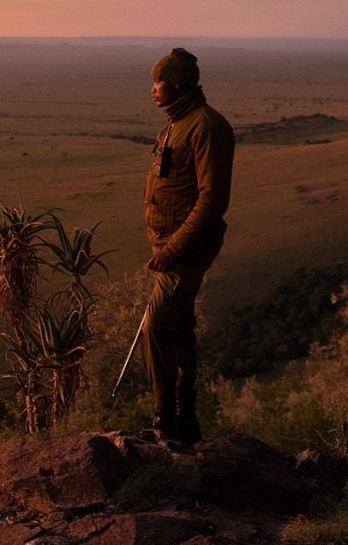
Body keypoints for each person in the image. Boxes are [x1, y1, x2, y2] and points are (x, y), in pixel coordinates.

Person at [142, 47, 234, 447]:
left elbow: (212, 200)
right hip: (168, 245)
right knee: (178, 325)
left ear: (177, 84)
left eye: (158, 82)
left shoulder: (207, 127)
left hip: (187, 246)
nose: (153, 89)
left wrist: (174, 248)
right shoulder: (175, 125)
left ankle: (165, 416)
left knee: (157, 323)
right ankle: (185, 420)